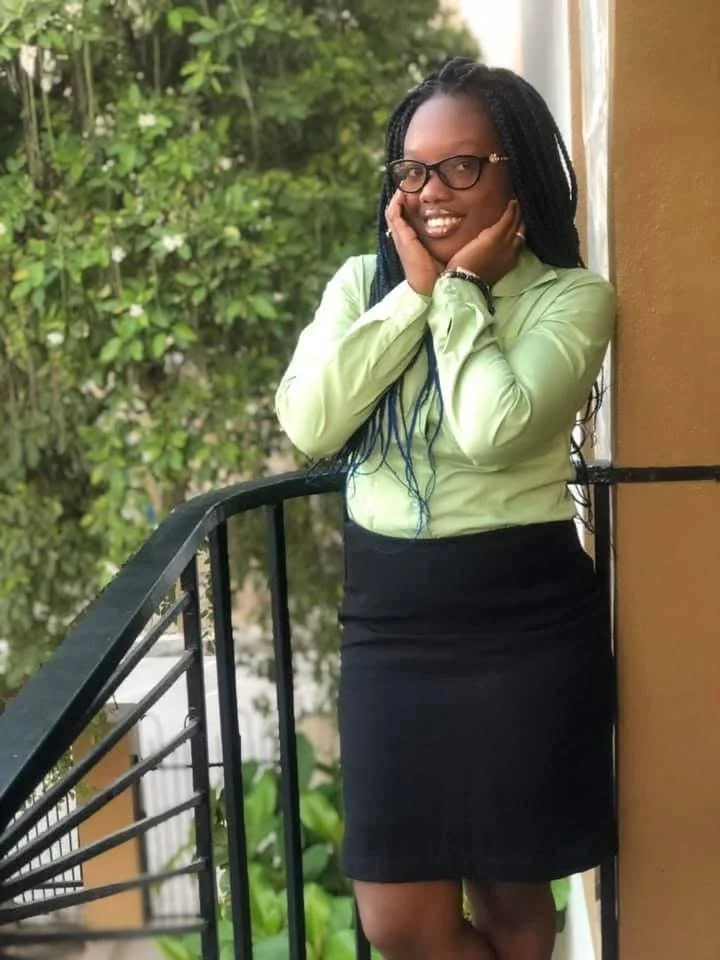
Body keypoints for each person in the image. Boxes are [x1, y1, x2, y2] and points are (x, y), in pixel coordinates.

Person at [275, 57, 616, 960]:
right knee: (399, 922)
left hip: (525, 620)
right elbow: (310, 421)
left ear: (517, 171)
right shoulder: (362, 285)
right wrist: (417, 295)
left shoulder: (570, 299)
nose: (432, 191)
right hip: (392, 626)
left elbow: (494, 430)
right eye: (414, 170)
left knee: (513, 891)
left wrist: (461, 295)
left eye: (461, 166)